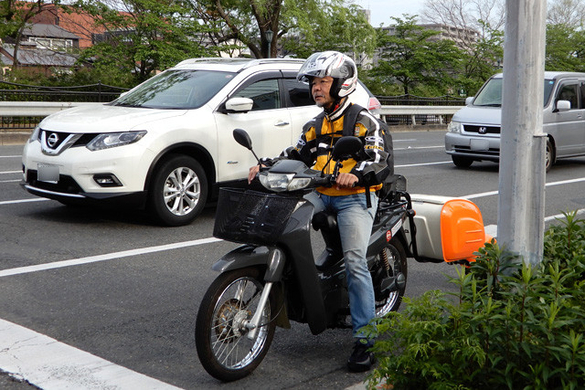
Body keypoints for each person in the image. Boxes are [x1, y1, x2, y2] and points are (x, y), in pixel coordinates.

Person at [248, 51, 390, 372]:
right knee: (282, 223)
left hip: (355, 196)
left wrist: (356, 173)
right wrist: (266, 165)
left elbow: (378, 157)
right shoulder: (316, 124)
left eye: (323, 81)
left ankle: (365, 340)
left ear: (342, 83)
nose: (316, 88)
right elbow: (296, 152)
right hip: (322, 193)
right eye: (314, 82)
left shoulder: (363, 119)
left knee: (355, 263)